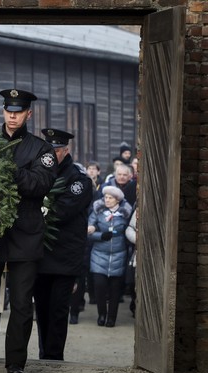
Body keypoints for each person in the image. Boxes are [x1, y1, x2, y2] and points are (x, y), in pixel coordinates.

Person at [0, 88, 58, 373]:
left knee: (20, 302)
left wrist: (7, 169)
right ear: (3, 111)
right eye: (9, 111)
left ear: (29, 114)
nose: (13, 116)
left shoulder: (41, 149)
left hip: (25, 233)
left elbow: (38, 185)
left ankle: (15, 363)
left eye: (19, 111)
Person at [33, 128, 92, 360]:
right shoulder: (40, 174)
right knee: (42, 310)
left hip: (64, 258)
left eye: (55, 150)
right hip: (40, 254)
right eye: (48, 150)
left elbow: (61, 211)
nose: (51, 154)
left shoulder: (78, 180)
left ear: (65, 151)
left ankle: (54, 358)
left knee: (58, 311)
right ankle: (43, 355)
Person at [87, 185, 132, 328]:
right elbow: (88, 230)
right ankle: (101, 315)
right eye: (105, 197)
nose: (107, 200)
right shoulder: (98, 211)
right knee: (99, 287)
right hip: (99, 254)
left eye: (110, 198)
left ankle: (112, 317)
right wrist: (100, 235)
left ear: (117, 200)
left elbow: (129, 229)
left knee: (115, 290)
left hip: (119, 254)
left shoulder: (125, 213)